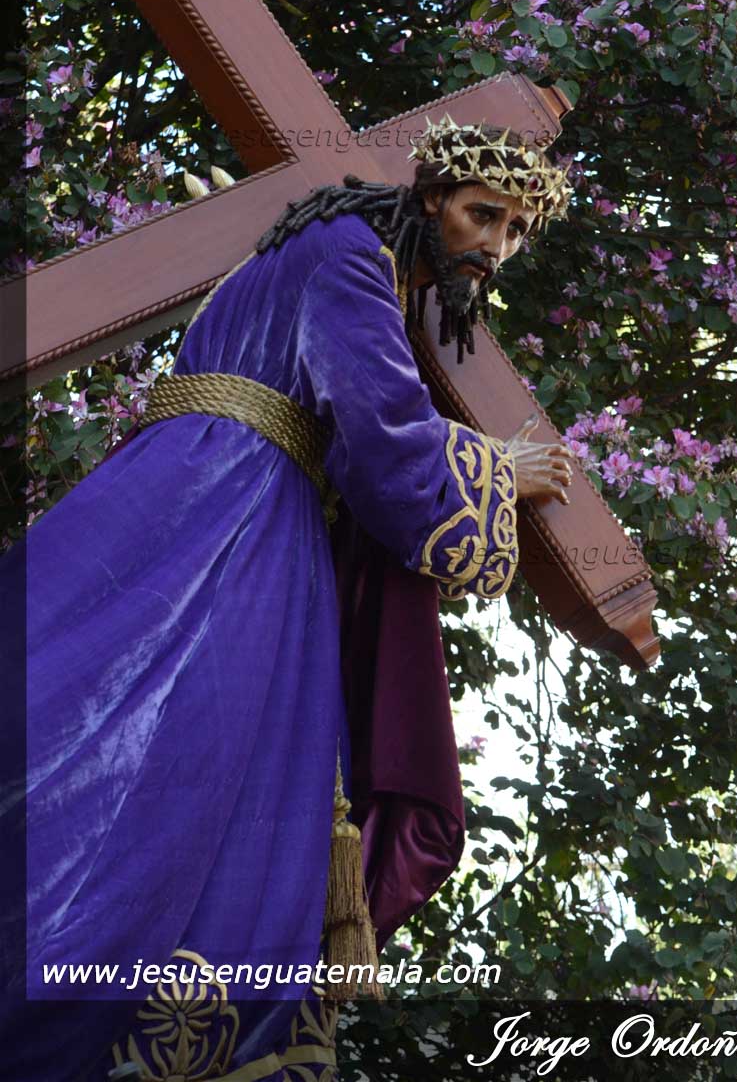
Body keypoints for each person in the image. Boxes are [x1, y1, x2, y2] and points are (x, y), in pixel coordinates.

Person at [0, 116, 573, 1081]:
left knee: (145, 735)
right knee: (179, 742)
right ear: (432, 197)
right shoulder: (349, 252)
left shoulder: (338, 257)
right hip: (232, 511)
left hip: (184, 491)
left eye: (517, 231)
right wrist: (493, 470)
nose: (497, 246)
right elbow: (383, 435)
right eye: (483, 215)